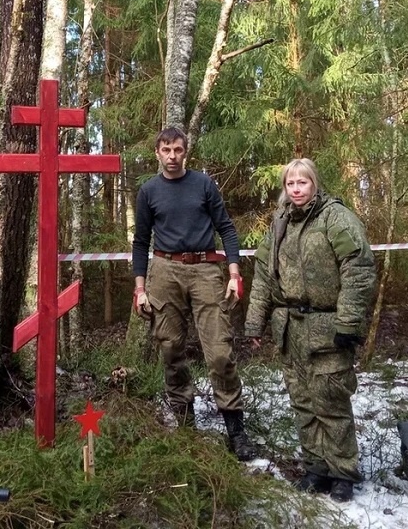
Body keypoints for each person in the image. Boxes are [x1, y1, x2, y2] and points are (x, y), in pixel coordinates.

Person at [245, 158, 376, 502]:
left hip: (329, 328)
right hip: (290, 329)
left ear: (315, 183)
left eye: (303, 182)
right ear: (285, 188)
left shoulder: (336, 218)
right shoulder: (279, 224)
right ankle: (316, 468)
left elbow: (358, 269)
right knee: (302, 402)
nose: (297, 189)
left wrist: (348, 322)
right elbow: (262, 276)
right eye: (291, 184)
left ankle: (343, 473)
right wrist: (254, 322)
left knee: (331, 401)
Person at [131, 126, 254, 461]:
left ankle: (236, 430)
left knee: (218, 352)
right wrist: (140, 288)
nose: (172, 156)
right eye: (166, 150)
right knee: (171, 348)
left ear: (186, 152)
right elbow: (141, 242)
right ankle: (186, 425)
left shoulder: (203, 184)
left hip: (205, 270)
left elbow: (226, 228)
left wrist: (233, 274)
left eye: (178, 150)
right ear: (157, 152)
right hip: (164, 272)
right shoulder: (149, 191)